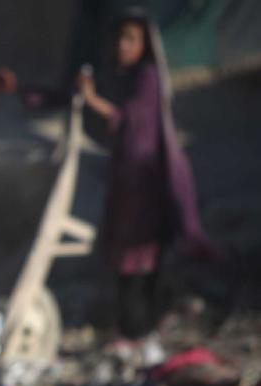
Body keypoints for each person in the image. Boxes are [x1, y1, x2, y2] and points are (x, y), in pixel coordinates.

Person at [75, 9, 217, 341]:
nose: (123, 45)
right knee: (126, 262)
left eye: (131, 39)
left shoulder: (147, 76)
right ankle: (133, 328)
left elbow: (134, 119)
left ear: (145, 44)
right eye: (120, 38)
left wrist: (93, 99)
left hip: (146, 181)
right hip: (126, 181)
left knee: (144, 259)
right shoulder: (118, 75)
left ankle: (142, 327)